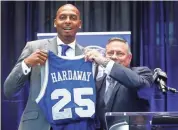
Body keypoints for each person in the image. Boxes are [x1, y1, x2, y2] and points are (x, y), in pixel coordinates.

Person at [4, 4, 96, 130]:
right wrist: (27, 63)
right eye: (63, 17)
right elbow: (9, 90)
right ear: (55, 22)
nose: (68, 21)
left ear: (79, 24)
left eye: (72, 17)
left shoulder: (86, 56)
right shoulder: (34, 48)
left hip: (72, 125)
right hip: (37, 125)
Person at [85, 37, 153, 130]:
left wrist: (105, 63)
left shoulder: (142, 73)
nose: (114, 57)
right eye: (110, 53)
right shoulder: (98, 81)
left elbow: (139, 84)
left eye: (120, 53)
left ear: (129, 58)